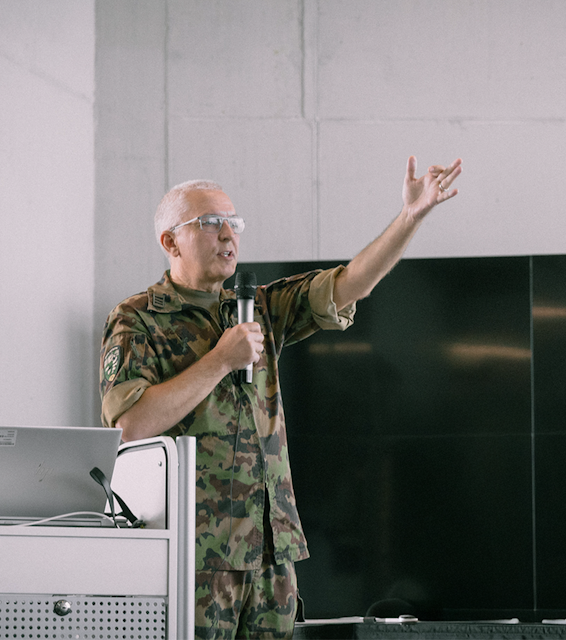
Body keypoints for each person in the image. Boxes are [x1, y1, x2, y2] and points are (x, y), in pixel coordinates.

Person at [100, 155, 462, 639]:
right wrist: (220, 360)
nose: (228, 235)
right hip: (194, 553)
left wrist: (410, 216)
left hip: (271, 551)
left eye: (234, 223)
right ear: (170, 242)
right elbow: (130, 425)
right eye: (210, 223)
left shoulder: (259, 307)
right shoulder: (138, 319)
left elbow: (349, 283)